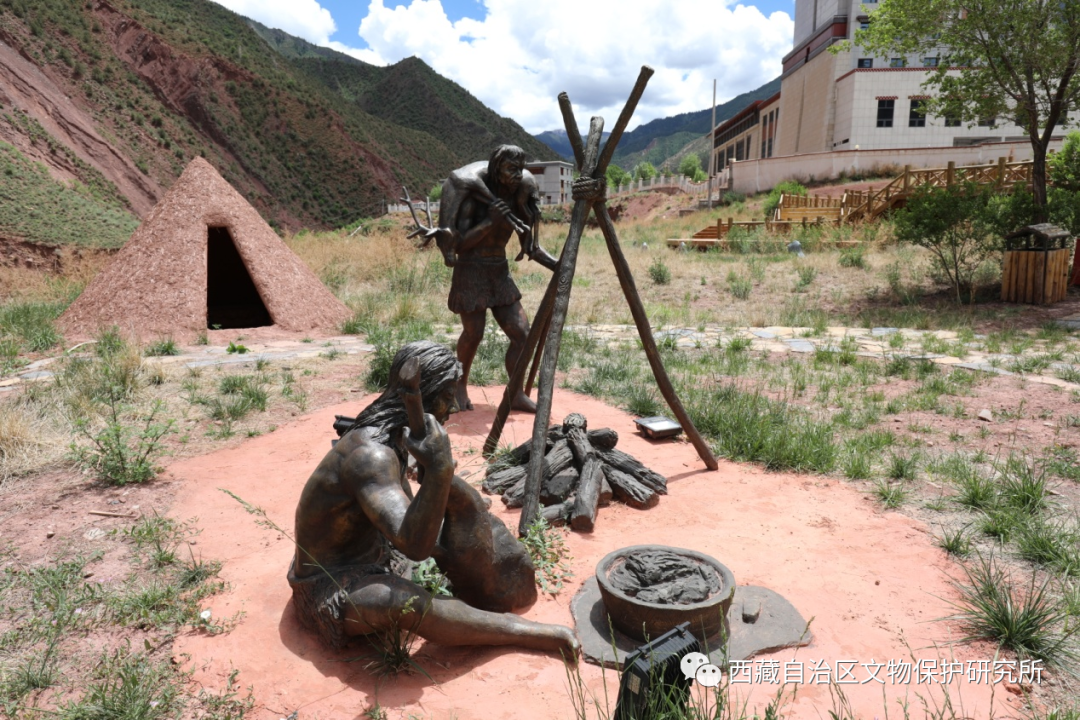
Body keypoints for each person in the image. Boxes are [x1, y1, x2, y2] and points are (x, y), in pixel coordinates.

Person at [289, 341, 578, 658]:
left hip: (380, 551)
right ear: (423, 394)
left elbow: (412, 515)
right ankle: (517, 630)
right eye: (446, 395)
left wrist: (449, 490)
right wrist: (440, 468)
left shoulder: (394, 436)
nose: (454, 407)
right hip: (330, 583)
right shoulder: (370, 456)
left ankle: (481, 601)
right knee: (404, 603)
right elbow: (415, 546)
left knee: (456, 525)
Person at [435, 145, 559, 414]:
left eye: (520, 169)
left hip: (499, 273)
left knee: (522, 335)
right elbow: (458, 246)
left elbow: (531, 247)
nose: (518, 175)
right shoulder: (472, 198)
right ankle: (459, 386)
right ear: (496, 168)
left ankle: (515, 394)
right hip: (470, 271)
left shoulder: (518, 195)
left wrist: (559, 266)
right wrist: (489, 222)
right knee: (474, 333)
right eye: (511, 169)